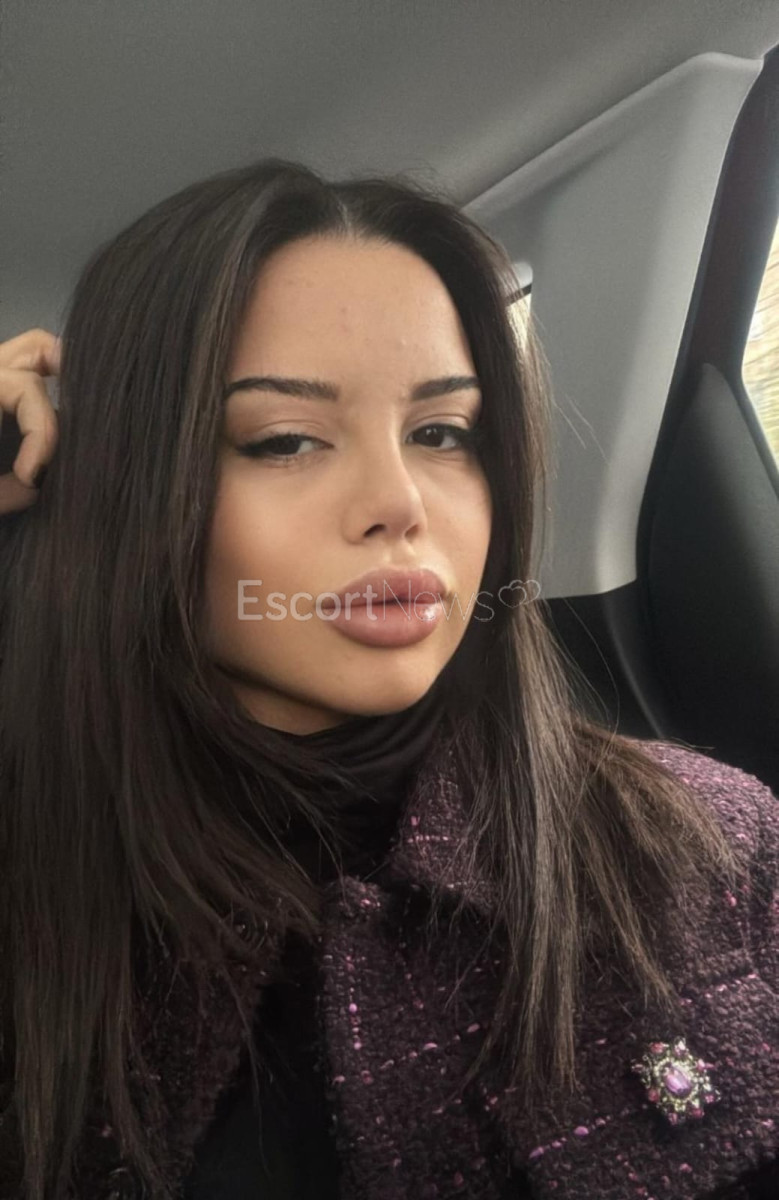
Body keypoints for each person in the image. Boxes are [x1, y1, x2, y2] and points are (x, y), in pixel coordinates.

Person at [0, 159, 776, 1200]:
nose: (398, 502)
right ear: (125, 494)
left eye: (441, 433)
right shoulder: (40, 877)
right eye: (284, 440)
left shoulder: (706, 839)